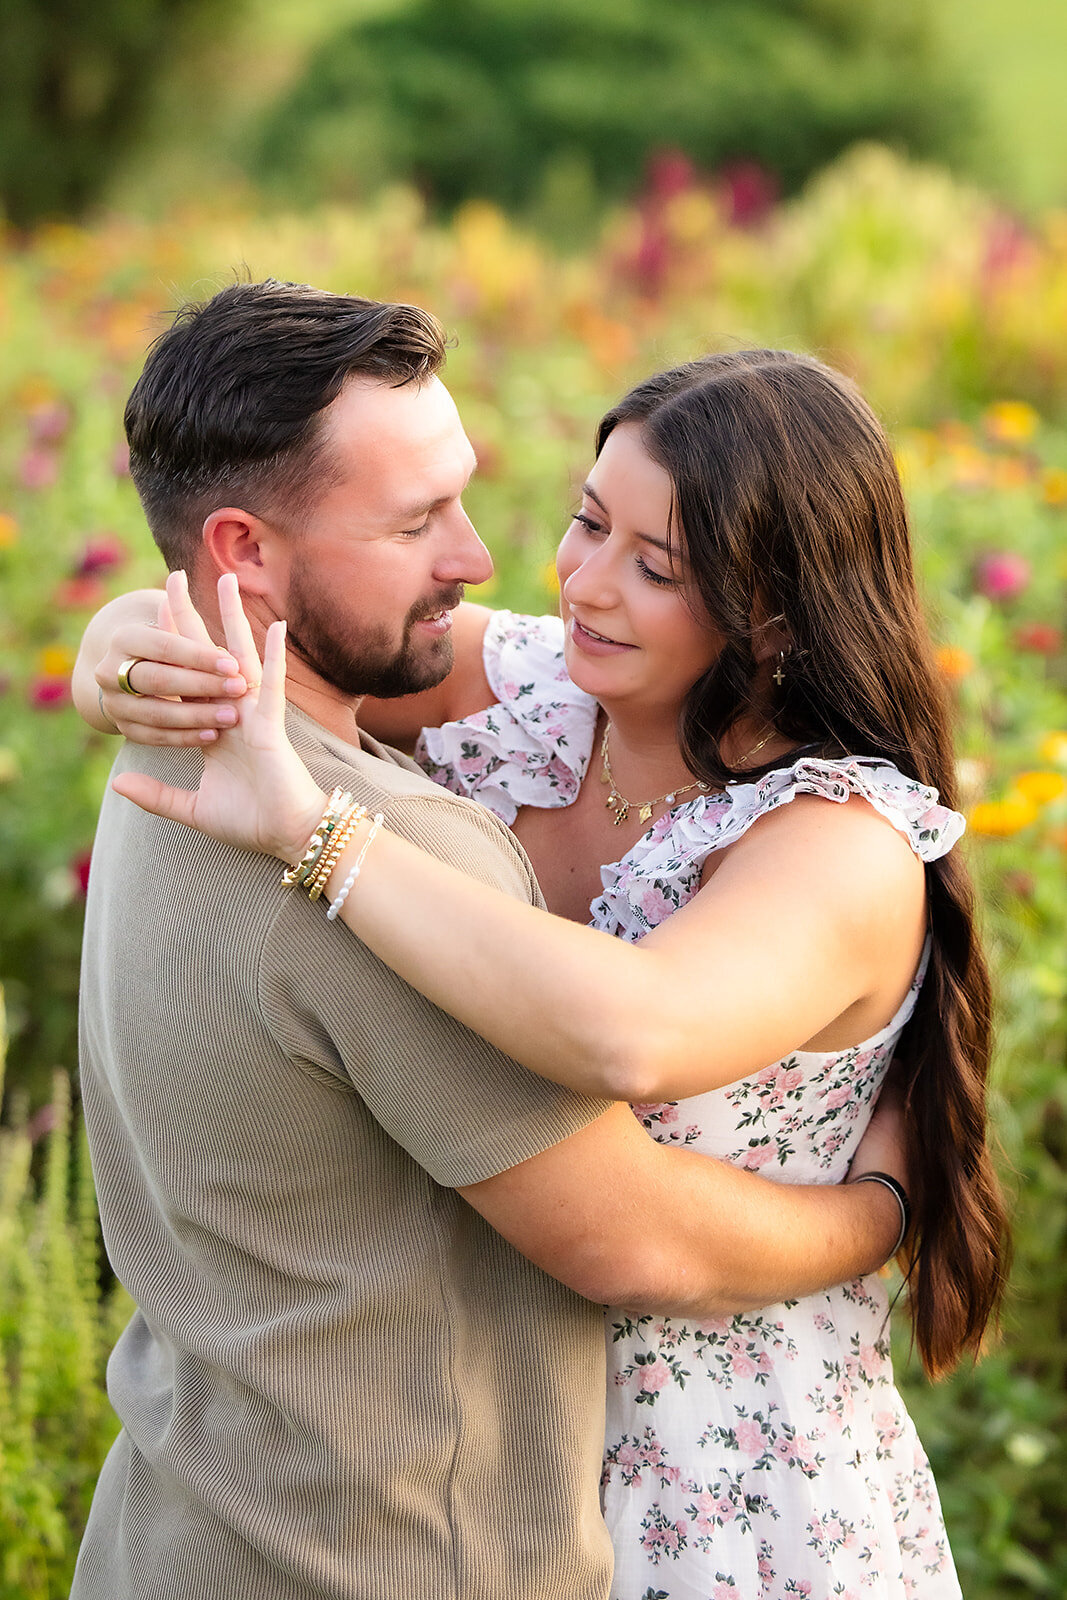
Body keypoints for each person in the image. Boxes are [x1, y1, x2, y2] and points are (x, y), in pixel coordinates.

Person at [82, 337, 1008, 1598]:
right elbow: (263, 600)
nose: (584, 583)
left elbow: (633, 1032)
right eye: (585, 522)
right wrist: (126, 646)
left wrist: (314, 831)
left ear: (774, 609)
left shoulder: (836, 845)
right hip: (502, 1449)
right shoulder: (540, 693)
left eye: (654, 565)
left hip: (726, 1482)